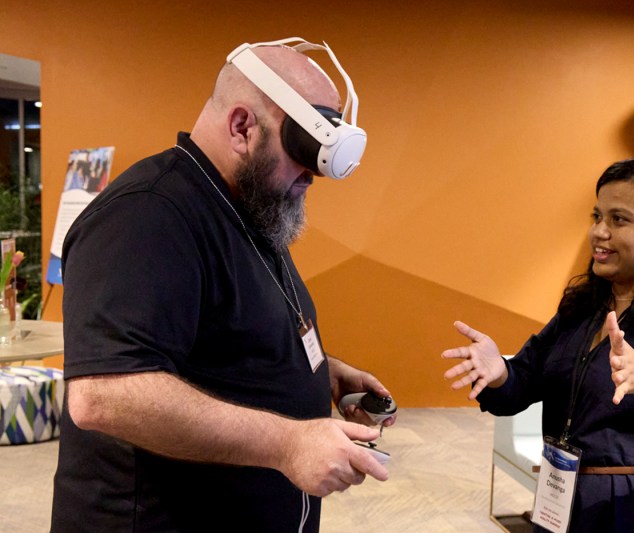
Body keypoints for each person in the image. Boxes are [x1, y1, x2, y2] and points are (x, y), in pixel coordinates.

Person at [51, 39, 395, 532]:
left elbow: (227, 329)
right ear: (241, 127)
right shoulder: (149, 215)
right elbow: (105, 393)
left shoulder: (249, 210)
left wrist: (319, 372)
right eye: (303, 147)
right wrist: (288, 442)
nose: (312, 176)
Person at [442, 156, 634, 532]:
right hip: (561, 502)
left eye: (618, 219)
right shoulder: (583, 307)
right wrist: (499, 372)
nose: (598, 232)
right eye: (596, 217)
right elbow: (525, 380)